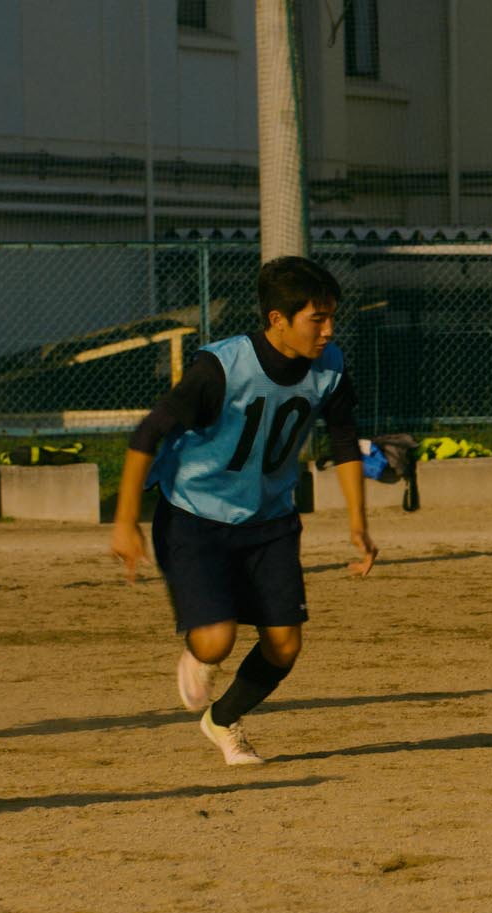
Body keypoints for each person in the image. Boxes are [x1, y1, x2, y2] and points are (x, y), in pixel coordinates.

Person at [110, 256, 378, 766]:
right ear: (278, 320)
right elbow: (147, 434)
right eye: (316, 319)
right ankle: (199, 653)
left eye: (331, 318)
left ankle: (223, 720)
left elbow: (344, 440)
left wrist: (358, 525)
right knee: (216, 641)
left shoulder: (331, 367)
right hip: (195, 516)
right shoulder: (220, 367)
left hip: (270, 519)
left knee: (285, 646)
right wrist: (125, 523)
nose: (328, 331)